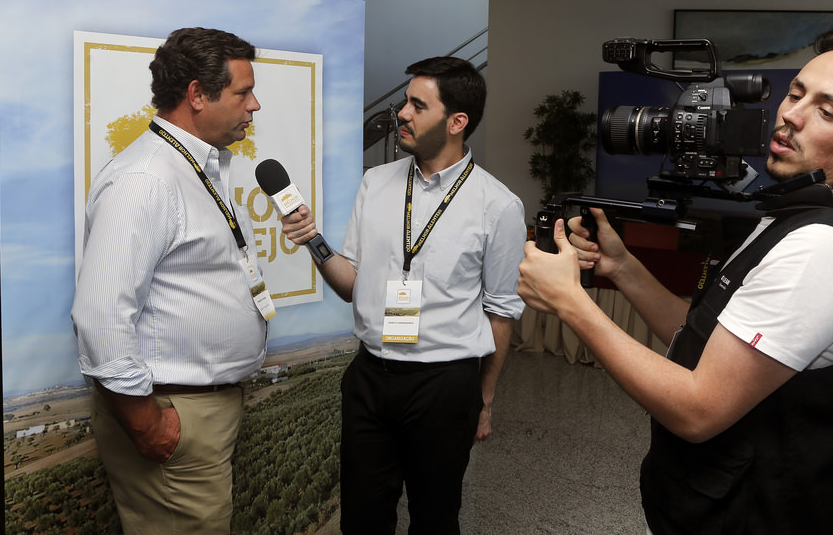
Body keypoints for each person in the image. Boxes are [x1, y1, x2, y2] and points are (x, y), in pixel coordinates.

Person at [518, 27, 833, 534]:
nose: (790, 115)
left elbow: (697, 408)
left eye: (827, 111)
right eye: (796, 93)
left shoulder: (820, 248)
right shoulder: (802, 208)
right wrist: (621, 267)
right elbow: (705, 338)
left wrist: (569, 304)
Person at [280, 56, 525, 534]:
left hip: (444, 387)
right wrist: (313, 240)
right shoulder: (376, 183)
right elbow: (351, 283)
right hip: (369, 378)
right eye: (404, 102)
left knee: (435, 519)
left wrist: (485, 398)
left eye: (418, 105)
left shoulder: (498, 206)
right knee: (363, 519)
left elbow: (500, 311)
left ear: (457, 122)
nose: (402, 115)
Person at [71, 27, 269, 534]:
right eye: (243, 92)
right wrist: (148, 424)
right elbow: (101, 315)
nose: (255, 105)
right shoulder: (146, 180)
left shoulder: (199, 165)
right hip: (170, 412)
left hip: (200, 407)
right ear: (197, 95)